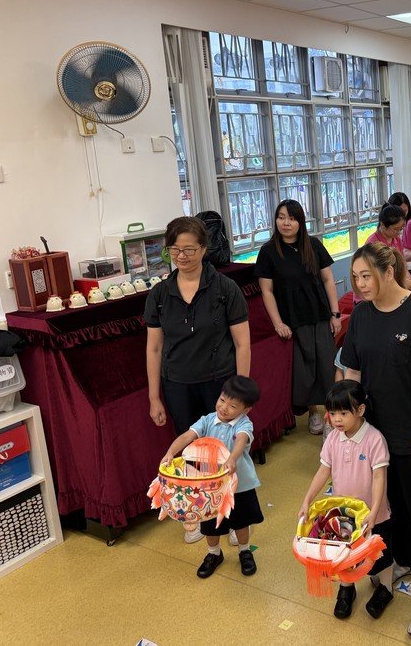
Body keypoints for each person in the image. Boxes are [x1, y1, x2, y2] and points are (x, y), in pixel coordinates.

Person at [341, 242, 411, 642]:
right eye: (355, 277)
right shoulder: (361, 315)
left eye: (366, 276)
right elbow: (352, 372)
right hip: (374, 439)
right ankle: (403, 560)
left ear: (388, 272)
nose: (360, 284)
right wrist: (349, 426)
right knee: (387, 510)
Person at [146, 216, 251, 543]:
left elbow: (242, 343)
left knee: (224, 450)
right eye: (175, 250)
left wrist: (241, 394)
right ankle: (195, 514)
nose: (182, 256)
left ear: (204, 249)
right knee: (191, 451)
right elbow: (154, 347)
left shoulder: (225, 289)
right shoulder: (160, 294)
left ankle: (230, 515)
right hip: (178, 383)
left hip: (220, 382)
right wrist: (154, 396)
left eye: (189, 249)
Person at [299, 380, 394, 620]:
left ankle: (385, 589)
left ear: (360, 410)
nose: (337, 419)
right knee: (343, 552)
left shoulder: (374, 439)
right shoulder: (333, 439)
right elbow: (323, 471)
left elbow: (379, 477)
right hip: (343, 514)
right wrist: (307, 499)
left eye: (343, 413)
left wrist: (374, 511)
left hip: (374, 514)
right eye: (332, 414)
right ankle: (346, 588)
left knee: (380, 556)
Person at [160, 376, 263, 579]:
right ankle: (214, 554)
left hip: (239, 486)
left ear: (246, 410)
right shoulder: (207, 420)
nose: (224, 408)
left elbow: (241, 440)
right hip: (209, 487)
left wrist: (232, 458)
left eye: (233, 406)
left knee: (241, 521)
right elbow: (187, 436)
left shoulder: (244, 424)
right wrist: (170, 452)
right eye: (222, 400)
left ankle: (244, 550)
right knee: (209, 523)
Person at [255, 200, 341, 435]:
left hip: (320, 315)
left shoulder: (313, 245)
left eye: (292, 218)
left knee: (327, 367)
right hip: (292, 321)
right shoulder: (268, 251)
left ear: (300, 222)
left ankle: (330, 416)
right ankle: (313, 412)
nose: (286, 223)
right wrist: (278, 323)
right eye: (281, 217)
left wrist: (335, 314)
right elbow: (266, 291)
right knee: (304, 372)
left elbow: (328, 280)